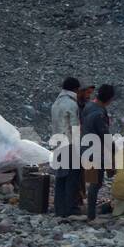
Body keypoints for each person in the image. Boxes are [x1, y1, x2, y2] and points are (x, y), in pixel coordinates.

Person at [81, 84, 115, 220]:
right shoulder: (99, 114)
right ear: (109, 99)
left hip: (86, 148)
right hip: (96, 152)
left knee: (92, 181)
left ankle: (90, 213)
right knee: (96, 183)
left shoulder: (89, 106)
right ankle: (91, 216)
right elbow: (105, 136)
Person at [50, 77, 83, 217]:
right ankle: (70, 209)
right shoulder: (71, 104)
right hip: (69, 144)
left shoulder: (56, 103)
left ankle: (59, 209)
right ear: (75, 89)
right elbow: (75, 127)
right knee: (71, 177)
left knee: (60, 177)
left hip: (57, 142)